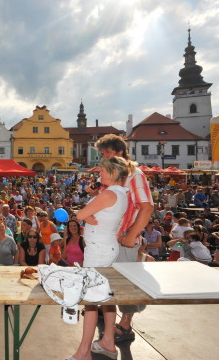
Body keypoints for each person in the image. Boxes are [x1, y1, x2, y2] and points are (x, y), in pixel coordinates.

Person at [71, 156, 133, 360]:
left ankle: (83, 352)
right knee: (106, 297)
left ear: (113, 173)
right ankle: (108, 342)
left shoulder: (108, 195)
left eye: (103, 171)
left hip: (98, 250)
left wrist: (85, 214)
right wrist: (88, 211)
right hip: (106, 247)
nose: (100, 174)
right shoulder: (119, 193)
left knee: (90, 302)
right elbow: (89, 214)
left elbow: (79, 215)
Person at [94, 134, 153, 345]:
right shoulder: (115, 176)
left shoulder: (135, 175)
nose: (105, 157)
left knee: (127, 284)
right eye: (102, 154)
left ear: (120, 152)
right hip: (111, 238)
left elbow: (147, 207)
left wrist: (131, 235)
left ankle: (126, 324)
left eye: (108, 153)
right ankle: (108, 316)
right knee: (111, 280)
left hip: (124, 238)